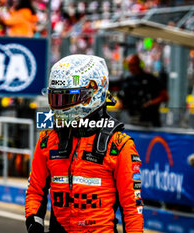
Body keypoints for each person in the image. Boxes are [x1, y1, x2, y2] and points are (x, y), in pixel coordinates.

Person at [25, 55, 144, 233]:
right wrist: (35, 224)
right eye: (55, 99)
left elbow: (131, 207)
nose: (58, 107)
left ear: (92, 95)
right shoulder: (47, 140)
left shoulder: (119, 144)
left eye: (65, 99)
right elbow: (35, 190)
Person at [119, 54, 169, 127]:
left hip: (150, 121)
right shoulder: (127, 81)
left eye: (133, 65)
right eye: (129, 65)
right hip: (132, 120)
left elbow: (165, 96)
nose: (131, 68)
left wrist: (150, 103)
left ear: (139, 65)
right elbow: (123, 101)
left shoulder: (151, 79)